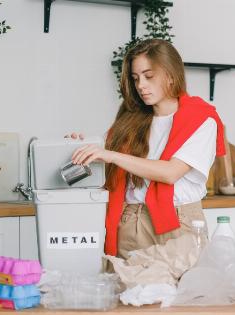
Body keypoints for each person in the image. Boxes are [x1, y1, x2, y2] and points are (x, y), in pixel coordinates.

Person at [68, 38, 225, 259]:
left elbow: (170, 173)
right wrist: (80, 148)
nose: (141, 85)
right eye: (135, 78)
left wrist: (111, 155)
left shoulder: (201, 119)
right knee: (127, 291)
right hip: (131, 220)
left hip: (178, 222)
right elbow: (108, 166)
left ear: (171, 75)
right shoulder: (130, 120)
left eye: (149, 76)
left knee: (180, 292)